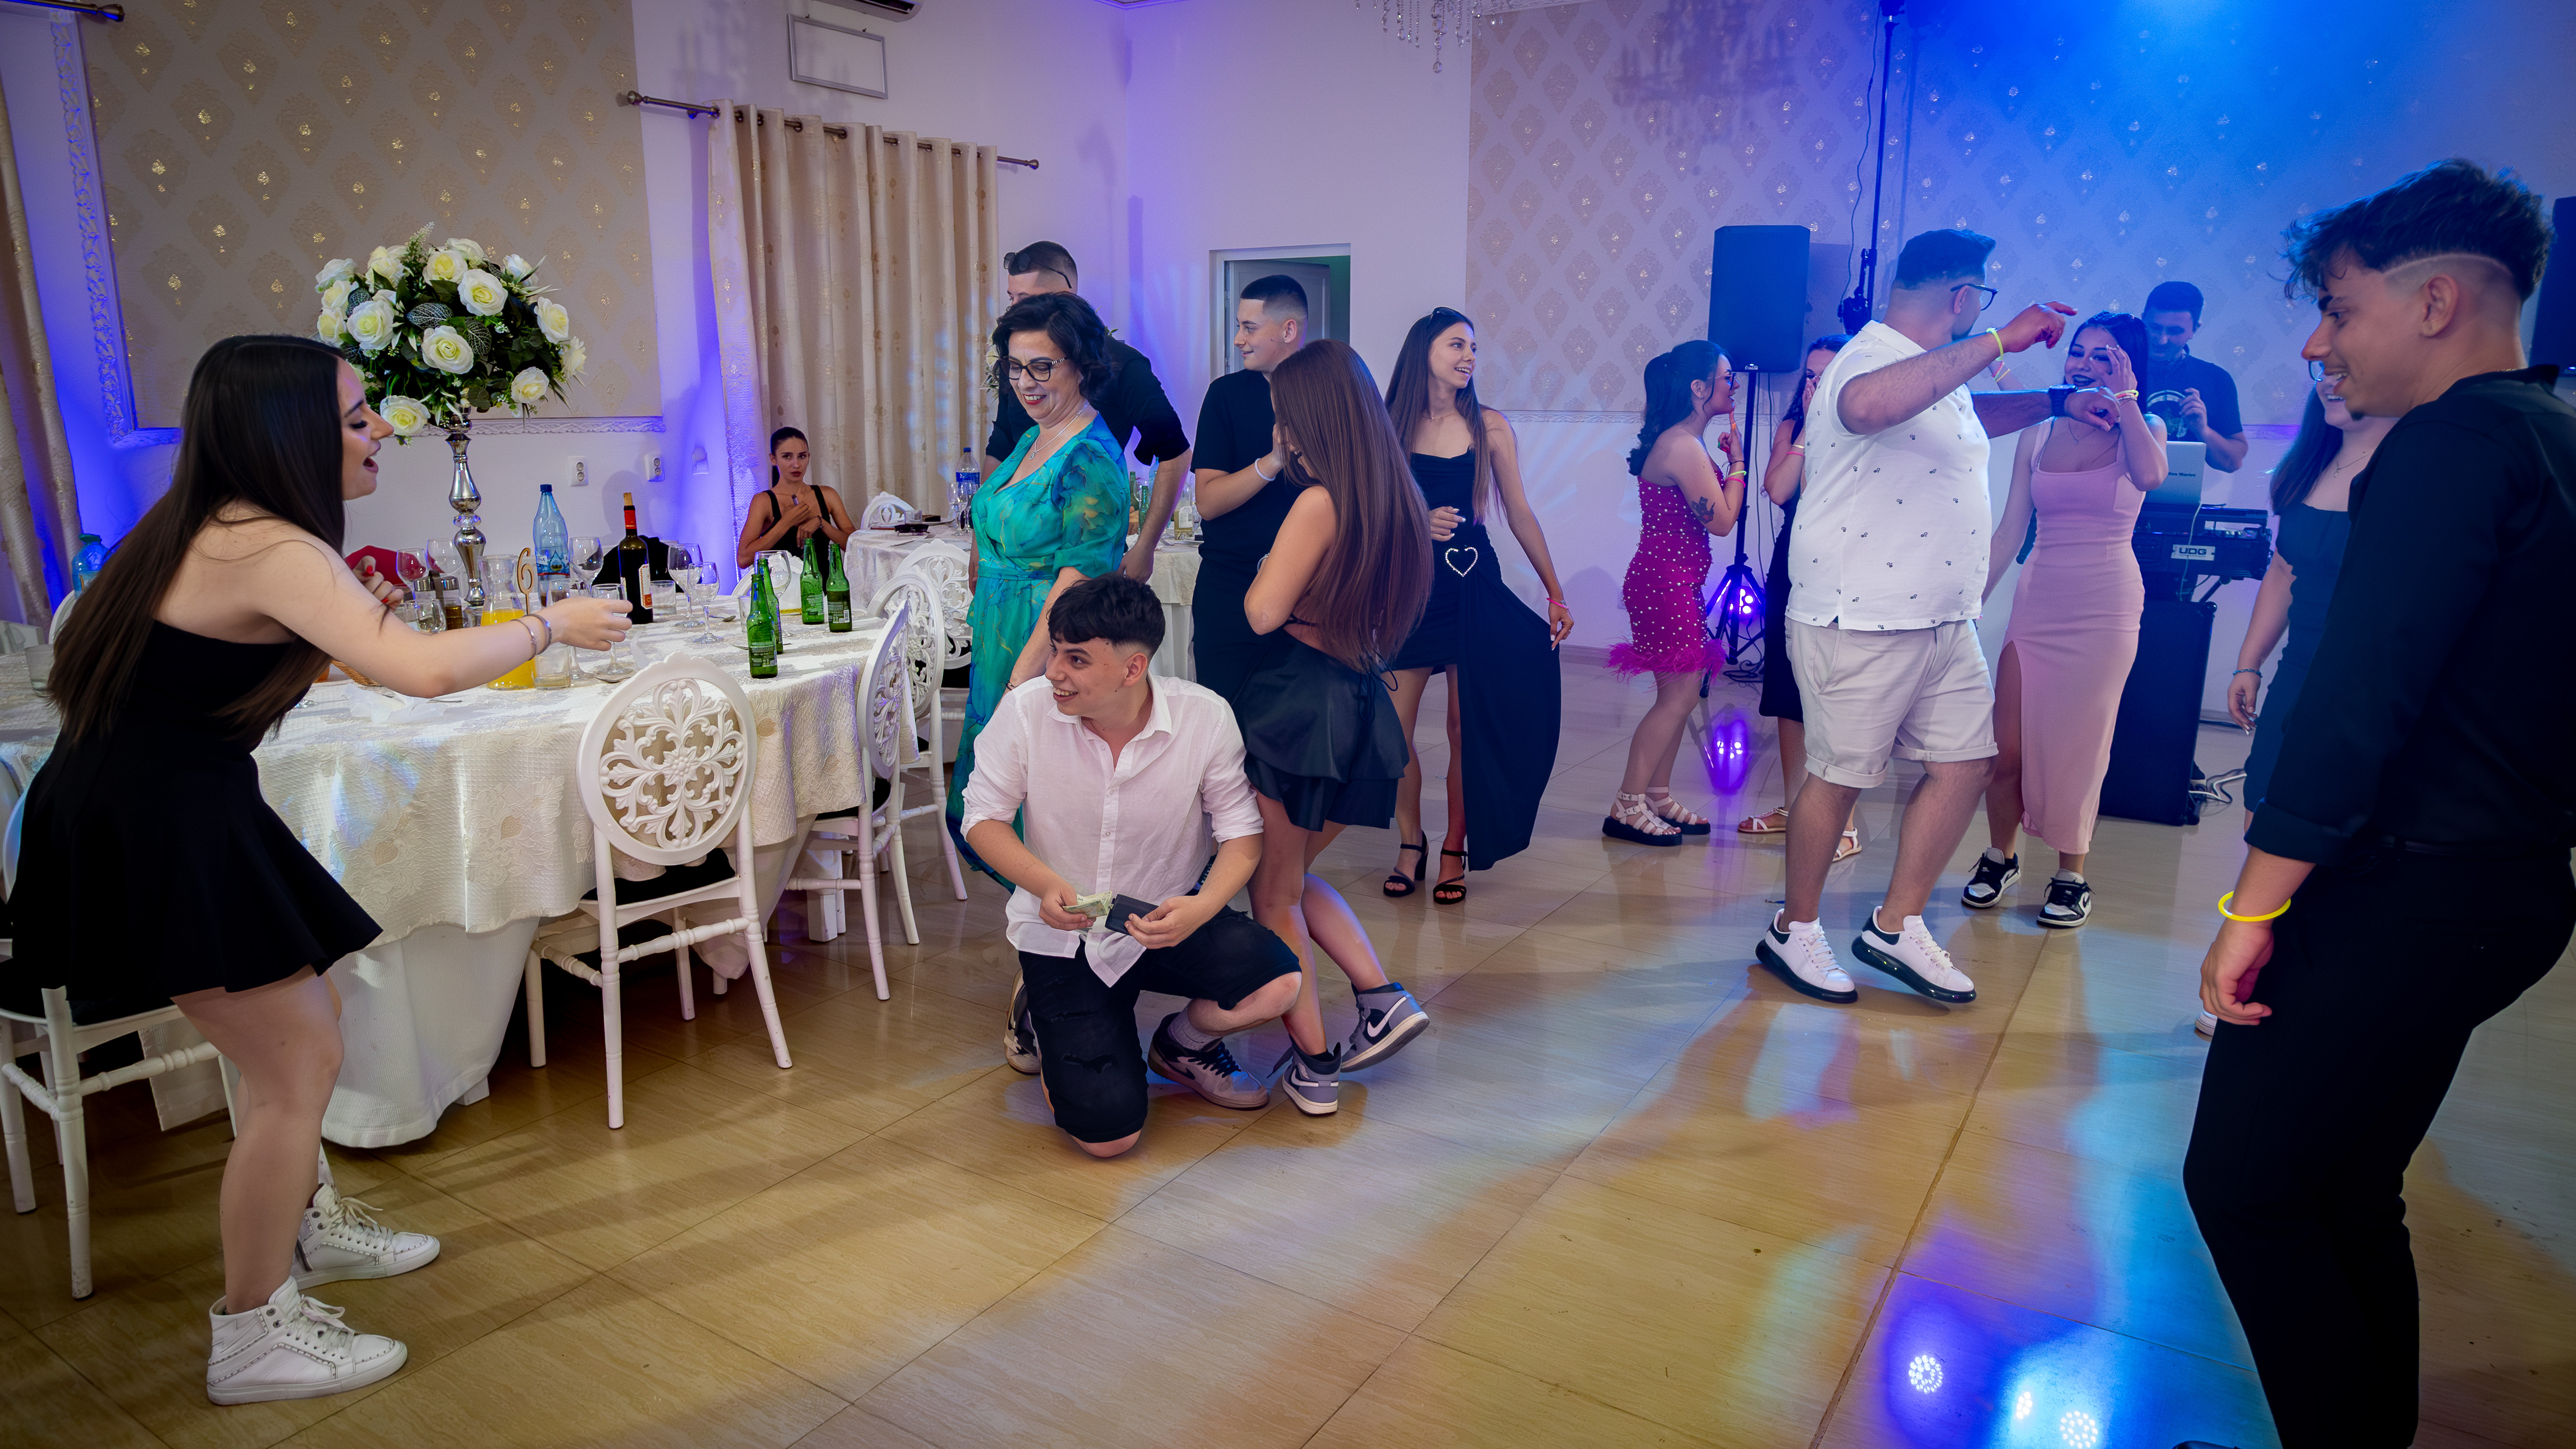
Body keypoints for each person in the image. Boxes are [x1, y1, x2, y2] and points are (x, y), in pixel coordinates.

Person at [3, 335, 630, 1403]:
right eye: (354, 416)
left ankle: (309, 1224)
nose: (379, 428)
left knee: (313, 1024)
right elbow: (421, 670)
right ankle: (252, 1333)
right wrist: (549, 623)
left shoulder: (207, 524)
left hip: (157, 798)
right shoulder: (268, 544)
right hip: (158, 816)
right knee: (298, 1065)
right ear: (285, 433)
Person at [2180, 159, 2574, 1449]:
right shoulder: (2550, 436)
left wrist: (2252, 907)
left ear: (2434, 303)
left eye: (2338, 309)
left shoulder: (2449, 446)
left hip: (2406, 888)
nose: (2317, 343)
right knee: (2348, 1188)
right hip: (2506, 888)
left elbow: (2360, 698)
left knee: (2243, 1187)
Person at [1753, 227, 2120, 1006]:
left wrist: (2058, 400)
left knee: (1966, 764)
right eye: (1981, 298)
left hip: (1943, 617)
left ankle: (1896, 925)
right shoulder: (1868, 357)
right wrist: (2001, 338)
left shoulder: (1939, 373)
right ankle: (1795, 928)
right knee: (1840, 779)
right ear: (1963, 296)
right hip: (1862, 616)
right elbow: (1866, 406)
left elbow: (1966, 412)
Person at [960, 574, 1303, 1158]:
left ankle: (1182, 1046)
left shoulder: (1203, 717)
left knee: (1279, 984)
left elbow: (1242, 833)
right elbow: (982, 820)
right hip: (1065, 932)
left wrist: (1202, 907)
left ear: (1133, 668)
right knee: (1109, 1138)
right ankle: (1042, 1008)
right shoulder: (1025, 712)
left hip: (1165, 917)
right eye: (1055, 651)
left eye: (1076, 659)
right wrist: (1044, 884)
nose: (1053, 672)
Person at [1238, 339, 1437, 1115]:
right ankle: (1381, 997)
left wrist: (1266, 570)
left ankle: (1315, 1066)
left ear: (1311, 418)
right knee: (1286, 878)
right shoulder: (1400, 498)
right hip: (1359, 702)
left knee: (1273, 894)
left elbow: (1262, 613)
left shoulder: (1320, 502)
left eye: (1285, 417)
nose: (1282, 432)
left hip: (1301, 703)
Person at [1958, 312, 2167, 929]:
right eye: (2080, 352)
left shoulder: (2145, 426)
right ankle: (2000, 856)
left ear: (2128, 366)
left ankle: (2071, 875)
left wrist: (2126, 400)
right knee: (2006, 747)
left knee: (2081, 747)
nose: (2085, 365)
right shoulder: (2040, 430)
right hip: (2039, 598)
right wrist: (1968, 604)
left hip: (2105, 605)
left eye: (2105, 356)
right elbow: (2010, 531)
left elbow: (2151, 476)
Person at [1379, 307, 1571, 903]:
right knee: (1392, 730)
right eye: (1456, 345)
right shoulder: (1388, 424)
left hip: (1470, 582)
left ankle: (1454, 846)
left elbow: (1519, 512)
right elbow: (1368, 507)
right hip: (1409, 588)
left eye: (1472, 347)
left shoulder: (1489, 426)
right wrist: (1416, 519)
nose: (1469, 357)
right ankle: (1410, 840)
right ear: (1424, 352)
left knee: (1466, 728)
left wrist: (1555, 590)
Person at [945, 292, 1129, 871]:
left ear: (1083, 366)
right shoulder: (1035, 435)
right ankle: (1035, 924)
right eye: (1015, 367)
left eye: (1042, 367)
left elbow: (1078, 578)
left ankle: (1059, 924)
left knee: (1039, 819)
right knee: (996, 803)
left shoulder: (1088, 457)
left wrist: (1024, 677)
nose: (1025, 382)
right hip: (1002, 637)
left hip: (1045, 645)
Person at [2226, 373, 2392, 813]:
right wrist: (2249, 665)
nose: (2329, 383)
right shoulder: (2307, 464)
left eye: (2345, 370)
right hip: (2297, 668)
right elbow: (2283, 570)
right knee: (2263, 799)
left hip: (2364, 680)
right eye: (2324, 372)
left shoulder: (2406, 472)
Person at [1600, 340, 1744, 846]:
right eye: (1727, 378)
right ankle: (1627, 804)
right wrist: (1739, 464)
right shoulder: (1682, 445)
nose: (1734, 387)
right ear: (1699, 388)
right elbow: (1722, 521)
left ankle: (1656, 796)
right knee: (1677, 698)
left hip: (1669, 580)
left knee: (1677, 697)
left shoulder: (1683, 441)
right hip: (1666, 583)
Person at [987, 242, 1192, 582]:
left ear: (1064, 297)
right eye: (1012, 298)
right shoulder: (1020, 372)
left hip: (1080, 542)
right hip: (1014, 552)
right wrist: (984, 540)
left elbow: (1176, 452)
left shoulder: (1121, 366)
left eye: (1026, 300)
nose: (1014, 310)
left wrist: (1146, 546)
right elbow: (1001, 447)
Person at [1740, 334, 1862, 864]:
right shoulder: (1794, 427)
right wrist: (1810, 427)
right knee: (1787, 693)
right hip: (1792, 565)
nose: (1815, 383)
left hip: (1846, 568)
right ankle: (1795, 808)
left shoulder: (1867, 429)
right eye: (1810, 375)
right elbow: (1779, 490)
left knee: (1835, 697)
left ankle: (1844, 825)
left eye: (1827, 374)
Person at [1190, 274, 1311, 705]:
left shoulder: (1329, 395)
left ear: (1289, 330)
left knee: (1302, 722)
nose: (1238, 339)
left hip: (1310, 589)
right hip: (1230, 586)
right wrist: (1272, 462)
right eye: (1238, 326)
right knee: (1224, 718)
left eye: (1249, 327)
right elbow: (1208, 502)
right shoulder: (1225, 396)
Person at [2141, 280, 2250, 473]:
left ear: (2195, 329)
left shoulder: (2215, 379)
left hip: (2179, 489)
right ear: (2142, 320)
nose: (2162, 339)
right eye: (2155, 328)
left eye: (2175, 331)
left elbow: (2232, 463)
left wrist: (2203, 431)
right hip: (2117, 489)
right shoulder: (2113, 368)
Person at [733, 425, 855, 568]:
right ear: (773, 459)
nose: (796, 465)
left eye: (802, 456)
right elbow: (743, 560)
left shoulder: (827, 495)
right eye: (787, 457)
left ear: (809, 457)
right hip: (783, 581)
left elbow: (856, 546)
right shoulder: (764, 501)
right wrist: (786, 522)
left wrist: (822, 523)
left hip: (825, 581)